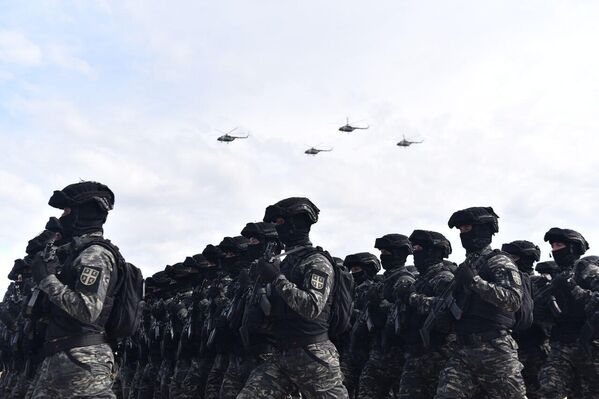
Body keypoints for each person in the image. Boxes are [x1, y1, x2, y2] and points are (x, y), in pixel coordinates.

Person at [237, 197, 348, 399]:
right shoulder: (284, 262)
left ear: (297, 223)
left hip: (314, 356)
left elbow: (312, 307)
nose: (278, 228)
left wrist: (277, 279)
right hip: (283, 354)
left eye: (280, 222)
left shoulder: (316, 261)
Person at [30, 181, 119, 398]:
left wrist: (47, 279)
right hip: (63, 356)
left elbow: (87, 310)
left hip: (84, 360)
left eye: (67, 211)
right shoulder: (76, 253)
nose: (62, 218)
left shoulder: (95, 255)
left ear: (84, 212)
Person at [435, 206, 526, 399]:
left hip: (495, 350)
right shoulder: (467, 265)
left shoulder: (499, 261)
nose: (463, 234)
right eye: (460, 230)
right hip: (462, 350)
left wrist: (475, 282)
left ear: (483, 230)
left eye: (467, 229)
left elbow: (513, 300)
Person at [538, 228, 599, 398]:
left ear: (573, 247)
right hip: (560, 345)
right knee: (549, 389)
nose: (555, 249)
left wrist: (574, 288)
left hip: (588, 346)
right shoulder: (555, 278)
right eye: (553, 246)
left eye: (559, 245)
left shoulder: (585, 267)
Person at [398, 230, 455, 399]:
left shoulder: (443, 277)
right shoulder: (419, 280)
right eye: (413, 248)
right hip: (415, 353)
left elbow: (444, 309)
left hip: (437, 353)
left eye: (419, 248)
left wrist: (412, 298)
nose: (415, 252)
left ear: (434, 251)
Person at [501, 240, 546, 399]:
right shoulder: (506, 283)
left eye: (513, 258)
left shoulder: (540, 283)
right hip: (510, 349)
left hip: (533, 348)